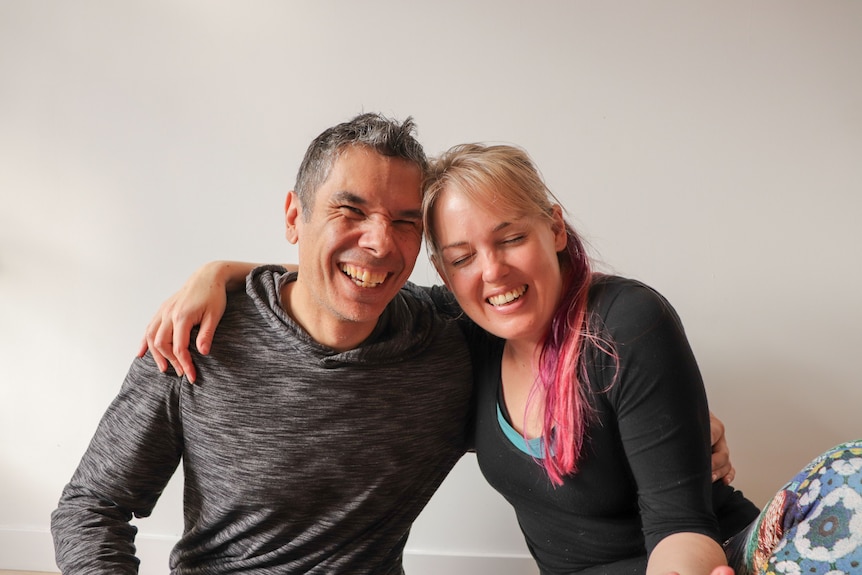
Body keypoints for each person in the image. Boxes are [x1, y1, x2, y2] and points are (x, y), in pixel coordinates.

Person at [146, 143, 862, 574]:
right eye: (461, 257)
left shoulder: (628, 321)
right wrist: (222, 271)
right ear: (444, 272)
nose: (491, 272)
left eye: (510, 237)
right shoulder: (463, 331)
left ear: (554, 225)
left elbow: (681, 532)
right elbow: (346, 281)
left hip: (713, 556)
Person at [51, 113, 477, 574]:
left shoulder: (448, 336)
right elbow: (91, 507)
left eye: (404, 221)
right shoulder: (197, 335)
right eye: (350, 211)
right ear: (295, 217)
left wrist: (220, 268)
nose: (379, 242)